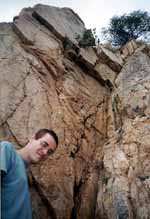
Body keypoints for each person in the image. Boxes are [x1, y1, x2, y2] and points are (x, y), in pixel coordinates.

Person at [0, 128, 58, 219]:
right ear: (32, 138)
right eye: (44, 144)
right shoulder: (7, 150)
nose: (45, 152)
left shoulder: (26, 177)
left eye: (49, 152)